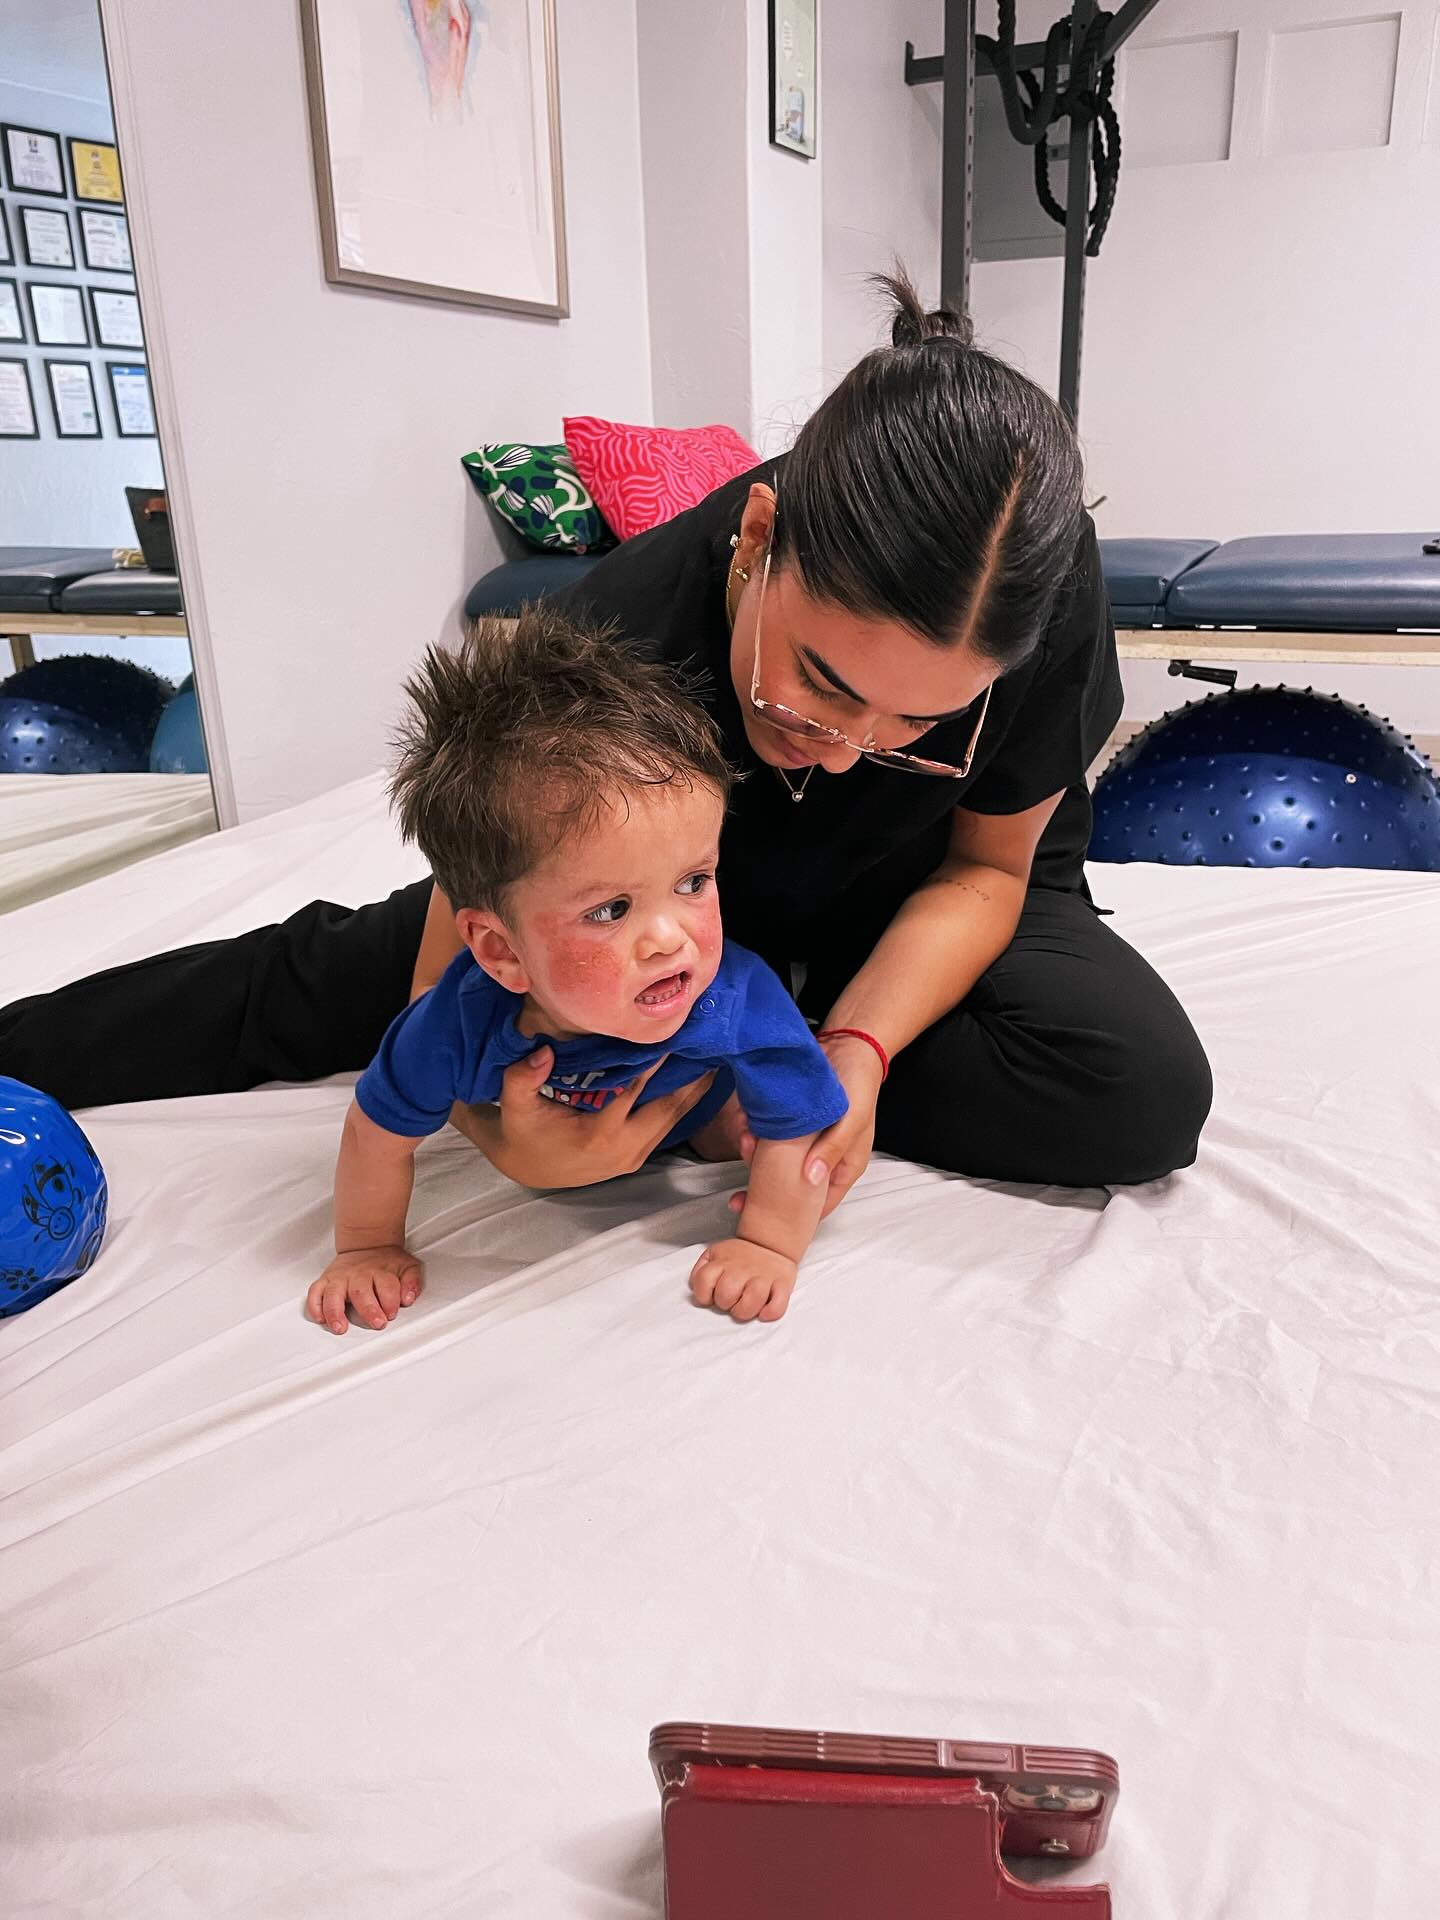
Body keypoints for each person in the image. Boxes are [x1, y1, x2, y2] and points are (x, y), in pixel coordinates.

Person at [0, 274, 1212, 1202]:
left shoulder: (1039, 610)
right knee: (328, 984)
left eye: (921, 721)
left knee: (1137, 1093)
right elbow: (480, 911)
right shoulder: (613, 631)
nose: (847, 752)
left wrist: (855, 1051)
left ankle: (739, 1037)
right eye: (818, 690)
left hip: (927, 891)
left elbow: (988, 870)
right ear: (755, 538)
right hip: (653, 895)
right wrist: (495, 1122)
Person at [307, 612, 847, 1335]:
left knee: (736, 1132)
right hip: (548, 1122)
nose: (669, 939)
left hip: (691, 1102)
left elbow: (798, 1130)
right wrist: (367, 1246)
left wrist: (768, 1244)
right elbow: (376, 1132)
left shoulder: (733, 998)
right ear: (501, 953)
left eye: (693, 882)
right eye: (611, 909)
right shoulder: (455, 1024)